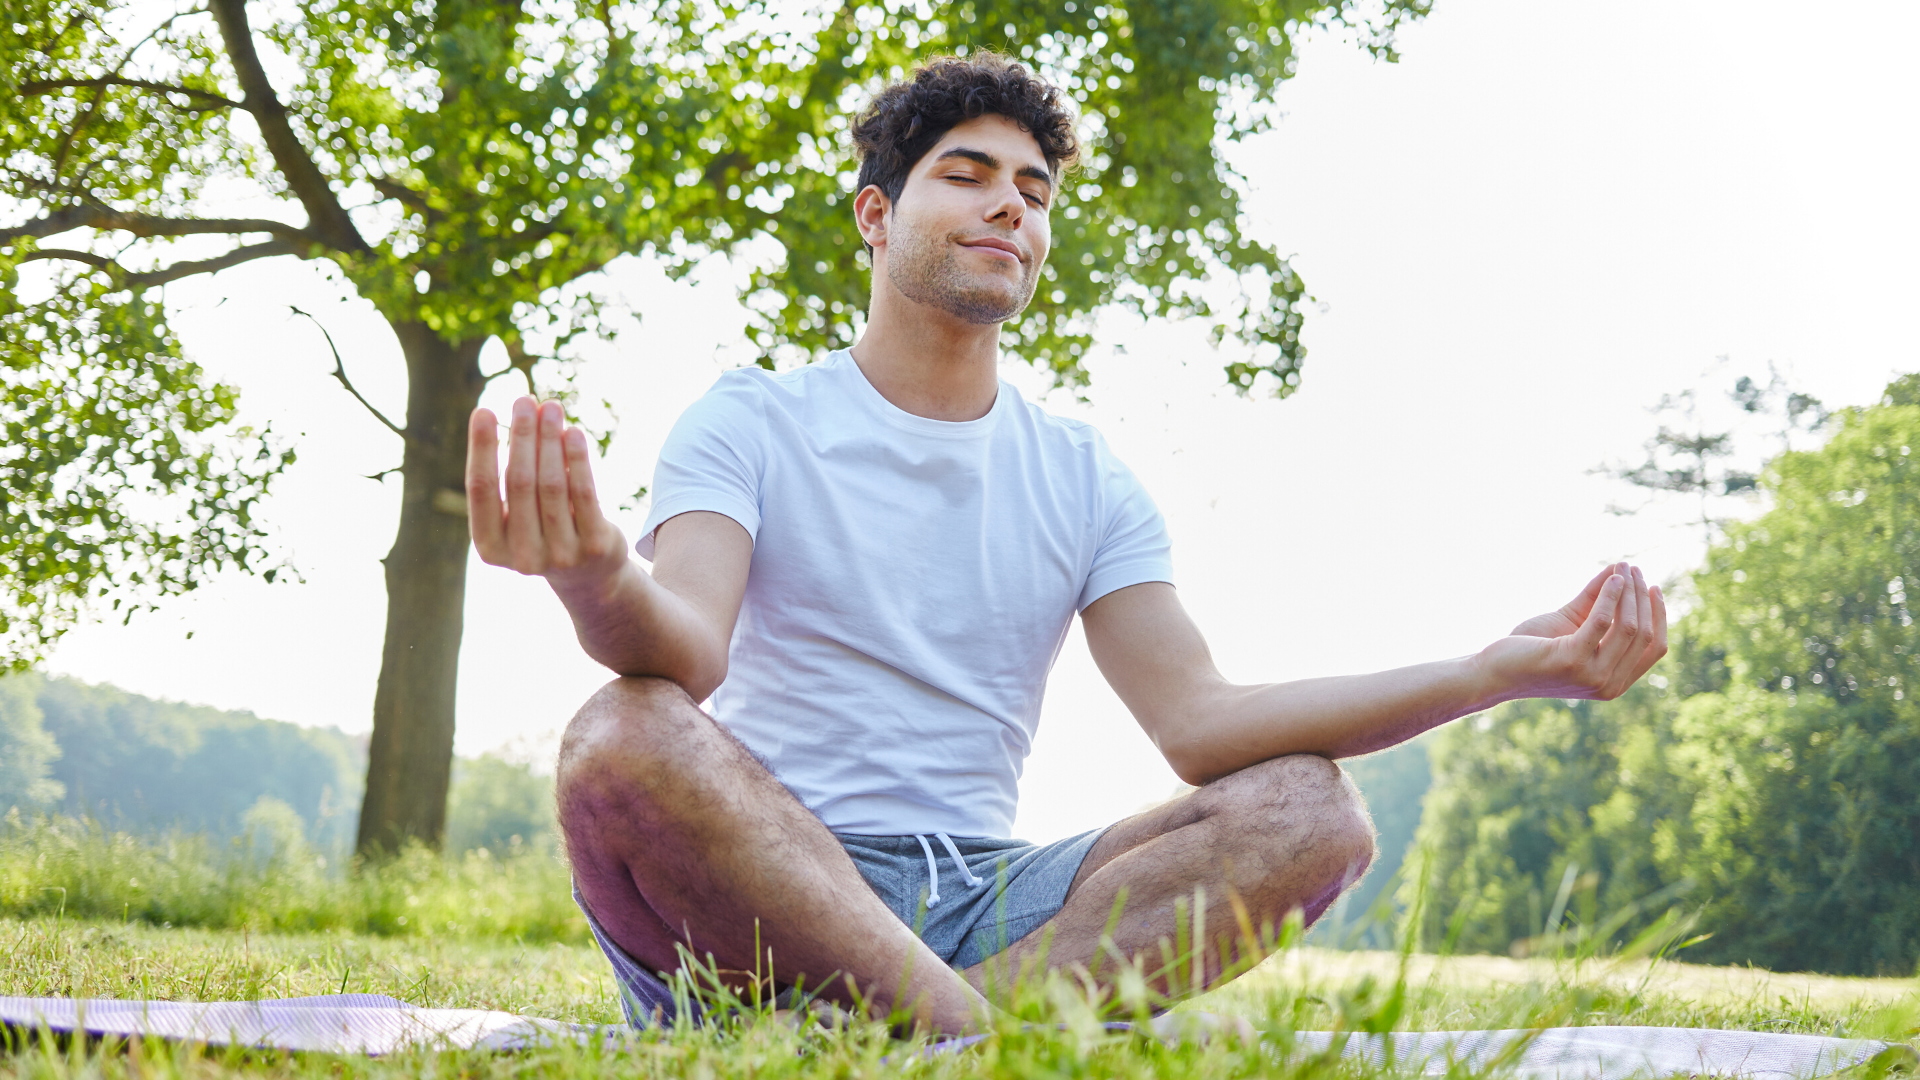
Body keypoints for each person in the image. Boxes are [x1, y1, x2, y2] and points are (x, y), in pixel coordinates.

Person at [464, 53, 1667, 1035]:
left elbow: (1200, 724)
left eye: (1035, 192)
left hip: (995, 899)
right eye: (970, 174)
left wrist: (1493, 671)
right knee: (623, 730)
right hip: (773, 886)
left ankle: (928, 1036)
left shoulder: (1086, 477)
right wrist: (594, 574)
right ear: (877, 218)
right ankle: (989, 1045)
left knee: (1315, 815)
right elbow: (684, 650)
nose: (1011, 204)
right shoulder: (754, 418)